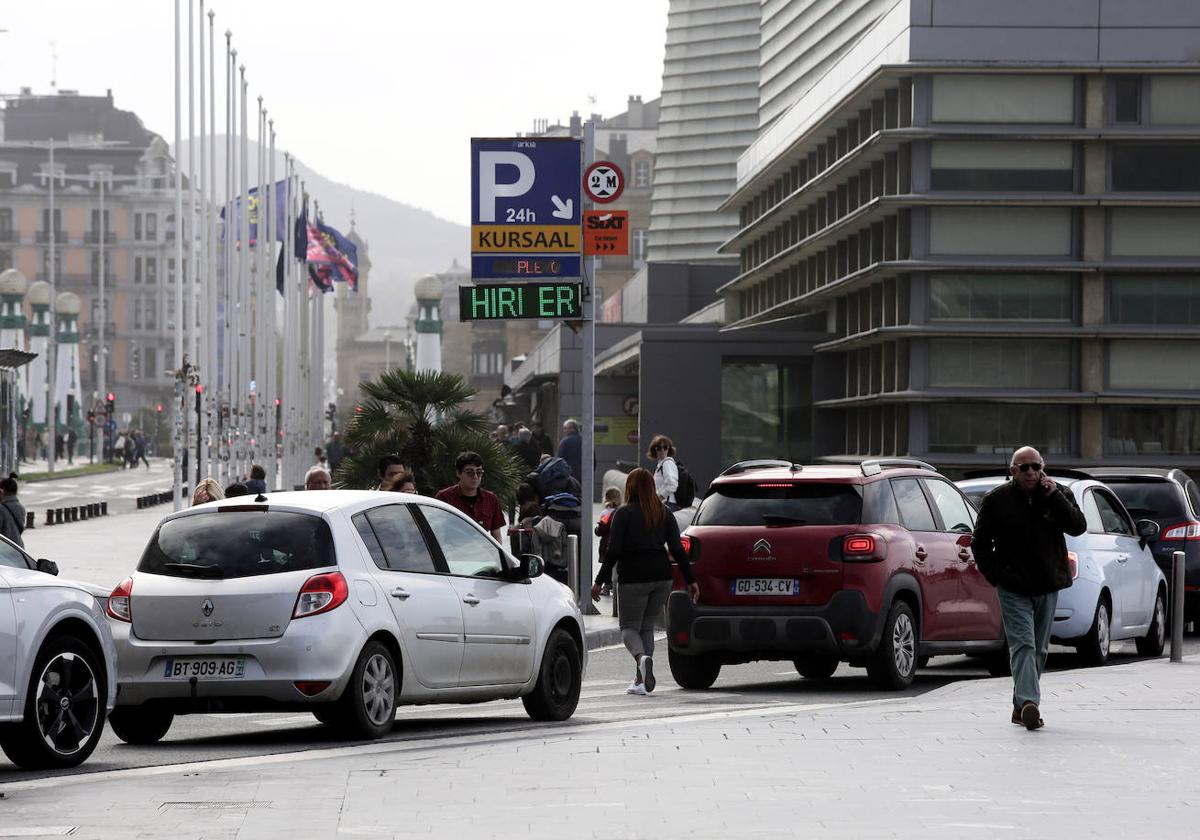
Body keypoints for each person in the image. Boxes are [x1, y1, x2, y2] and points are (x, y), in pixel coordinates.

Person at [972, 446, 1087, 731]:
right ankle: (1029, 703)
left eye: (1036, 466)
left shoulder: (1057, 494)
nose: (1032, 472)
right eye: (1024, 468)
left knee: (1039, 650)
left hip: (1048, 584)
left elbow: (1078, 527)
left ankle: (1018, 708)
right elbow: (980, 542)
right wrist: (996, 576)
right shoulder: (997, 500)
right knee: (1023, 644)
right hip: (1013, 587)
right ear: (1012, 471)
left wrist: (1055, 496)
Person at [591, 469, 697, 696]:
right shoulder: (664, 513)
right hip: (662, 576)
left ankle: (641, 659)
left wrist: (599, 581)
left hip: (633, 576)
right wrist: (691, 580)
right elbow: (677, 550)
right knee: (647, 627)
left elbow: (613, 551)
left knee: (629, 628)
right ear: (651, 486)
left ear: (629, 487)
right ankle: (640, 680)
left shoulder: (623, 513)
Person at [435, 451, 505, 542]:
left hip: (482, 552)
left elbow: (496, 535)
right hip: (453, 552)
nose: (475, 476)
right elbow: (436, 531)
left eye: (479, 472)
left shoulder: (491, 499)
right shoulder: (444, 498)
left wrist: (498, 555)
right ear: (458, 473)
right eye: (470, 472)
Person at [595, 486, 623, 596]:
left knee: (606, 566)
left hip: (606, 544)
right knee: (615, 567)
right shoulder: (621, 511)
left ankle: (606, 587)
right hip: (618, 544)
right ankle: (613, 585)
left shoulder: (605, 513)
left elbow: (601, 530)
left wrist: (596, 529)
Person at [647, 434, 680, 511]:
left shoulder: (667, 463)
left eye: (665, 447)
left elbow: (672, 485)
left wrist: (658, 498)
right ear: (654, 450)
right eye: (659, 448)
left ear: (669, 449)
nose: (662, 450)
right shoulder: (661, 465)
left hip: (667, 505)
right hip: (663, 504)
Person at [0, 474, 27, 548]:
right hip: (18, 548)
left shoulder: (1, 509)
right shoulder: (20, 507)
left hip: (5, 551)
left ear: (2, 491)